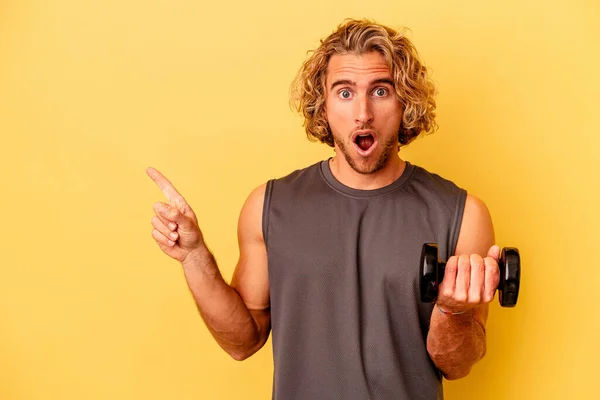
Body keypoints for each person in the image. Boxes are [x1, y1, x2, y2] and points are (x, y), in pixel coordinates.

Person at [147, 18, 500, 400]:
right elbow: (242, 342)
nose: (362, 113)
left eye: (380, 91)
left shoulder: (462, 215)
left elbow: (458, 365)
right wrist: (194, 256)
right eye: (344, 93)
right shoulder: (268, 206)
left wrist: (453, 311)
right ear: (324, 105)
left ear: (405, 102)